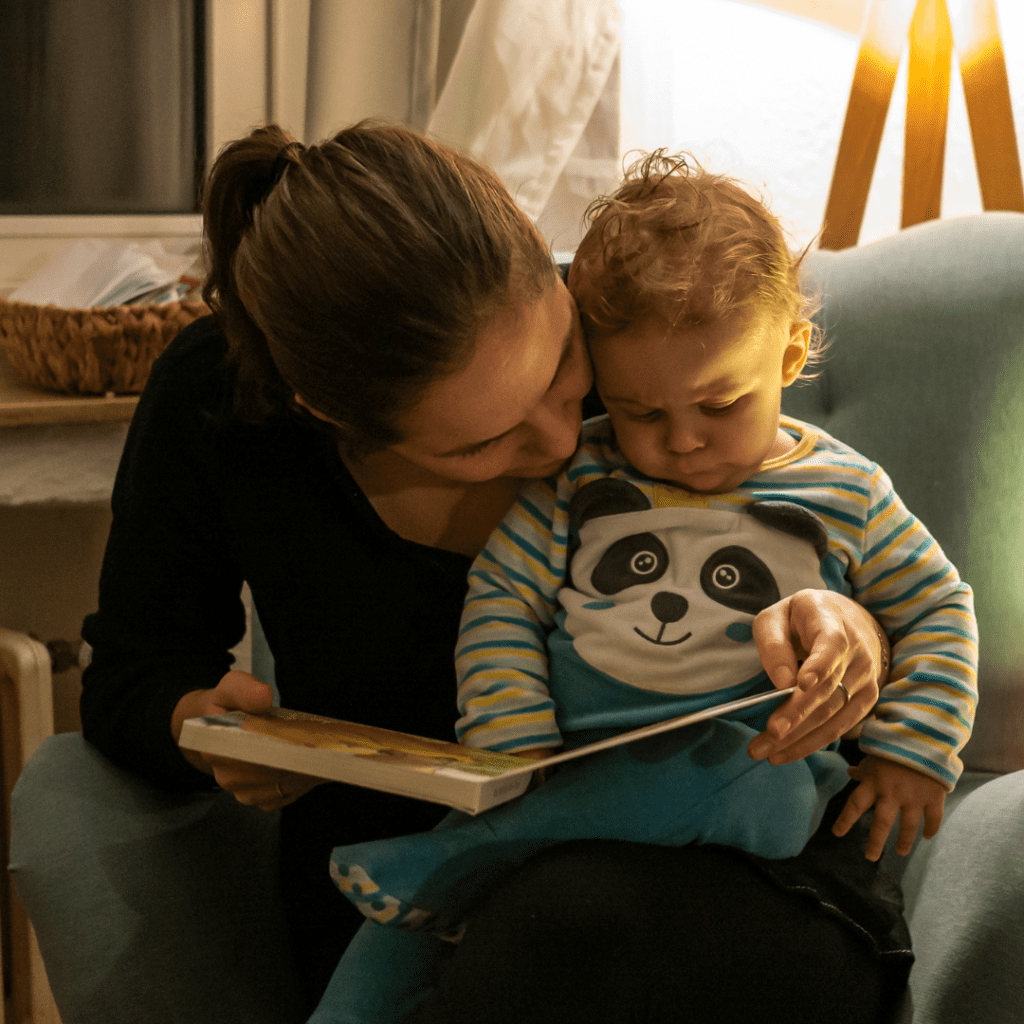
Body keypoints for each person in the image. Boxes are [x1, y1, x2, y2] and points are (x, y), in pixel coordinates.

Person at [73, 122, 892, 1023]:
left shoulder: (646, 330)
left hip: (745, 869)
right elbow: (131, 672)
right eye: (481, 441)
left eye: (561, 372)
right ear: (324, 413)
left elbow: (852, 546)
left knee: (564, 923)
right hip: (413, 900)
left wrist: (856, 633)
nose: (558, 444)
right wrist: (208, 728)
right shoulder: (222, 406)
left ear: (550, 266)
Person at [313, 154, 978, 1023]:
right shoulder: (576, 482)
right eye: (641, 413)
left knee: (751, 789)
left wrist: (911, 751)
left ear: (790, 353)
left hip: (752, 769)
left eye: (720, 404)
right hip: (567, 781)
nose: (684, 441)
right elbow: (505, 596)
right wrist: (508, 732)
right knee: (388, 940)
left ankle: (491, 851)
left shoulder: (846, 493)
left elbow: (937, 605)